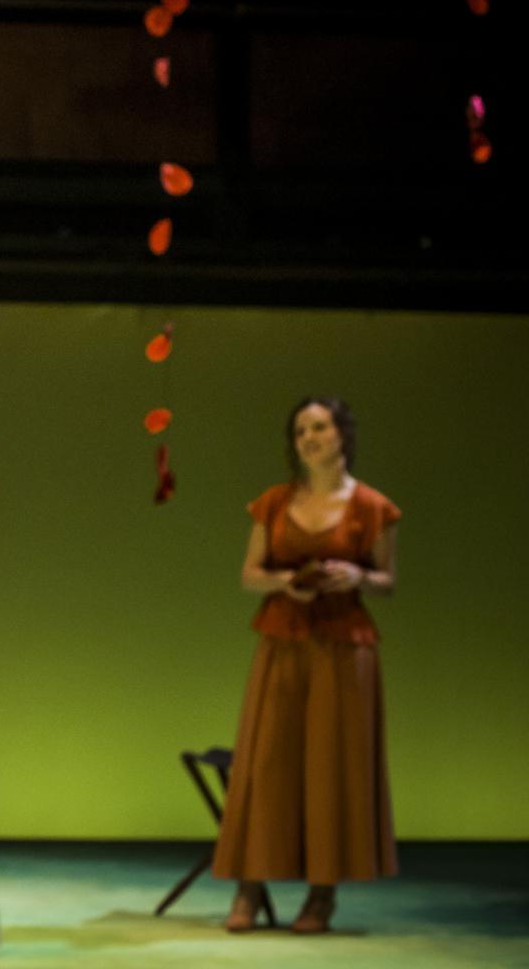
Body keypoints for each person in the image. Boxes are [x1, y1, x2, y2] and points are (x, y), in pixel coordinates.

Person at [214, 396, 400, 934]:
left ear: (342, 435)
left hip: (343, 646)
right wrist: (284, 583)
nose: (309, 439)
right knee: (267, 760)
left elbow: (387, 580)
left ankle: (322, 895)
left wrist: (358, 577)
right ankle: (250, 888)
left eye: (319, 427)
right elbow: (249, 573)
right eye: (300, 431)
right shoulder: (274, 502)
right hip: (283, 640)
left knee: (331, 765)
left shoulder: (373, 507)